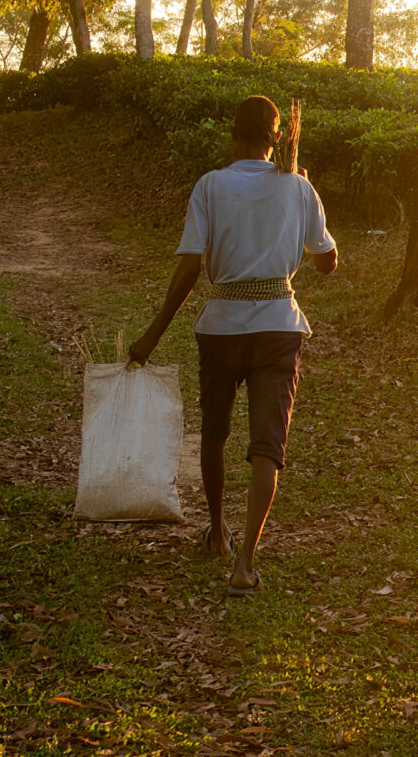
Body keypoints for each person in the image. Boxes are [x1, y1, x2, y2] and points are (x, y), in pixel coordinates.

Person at [128, 93, 337, 596]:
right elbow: (326, 262)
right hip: (279, 327)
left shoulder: (211, 186)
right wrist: (304, 199)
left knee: (215, 432)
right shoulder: (299, 187)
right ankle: (244, 563)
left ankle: (218, 532)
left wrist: (153, 333)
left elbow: (190, 268)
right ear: (277, 137)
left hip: (221, 326)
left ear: (232, 135)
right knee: (267, 447)